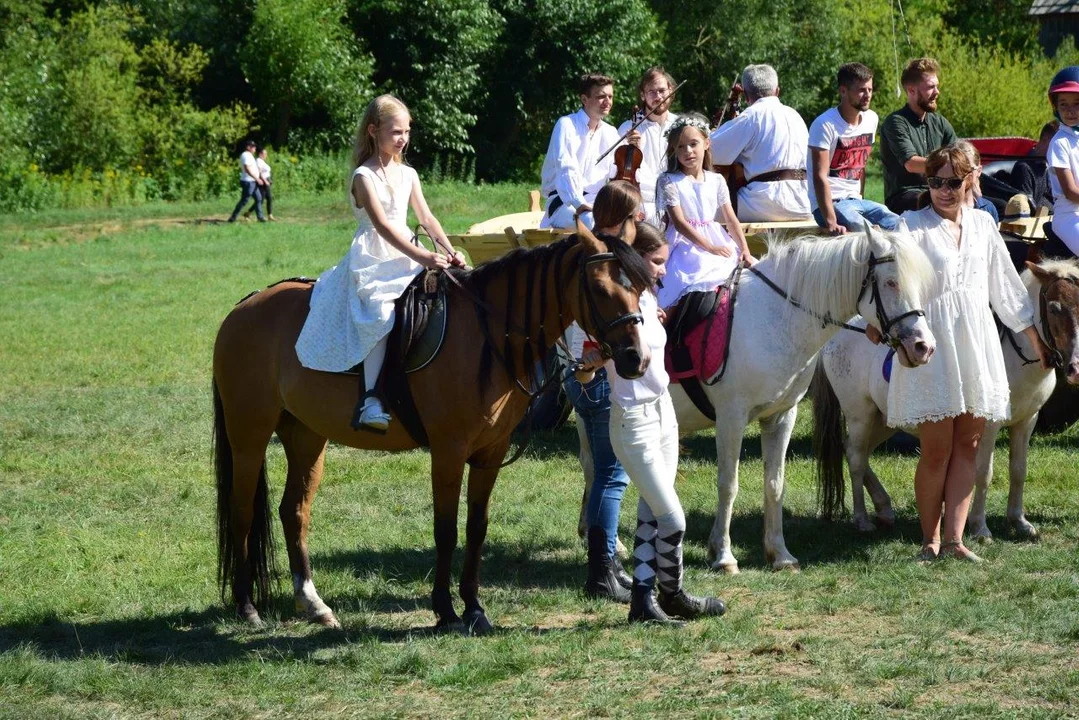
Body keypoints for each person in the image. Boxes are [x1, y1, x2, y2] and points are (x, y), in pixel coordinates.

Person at [880, 145, 1050, 562]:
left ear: (972, 178)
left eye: (953, 181)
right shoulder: (911, 226)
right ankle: (929, 541)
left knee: (969, 446)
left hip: (976, 341)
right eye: (935, 181)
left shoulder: (983, 226)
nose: (943, 190)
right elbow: (894, 283)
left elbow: (1006, 291)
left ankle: (956, 541)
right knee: (937, 449)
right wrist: (883, 328)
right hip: (931, 344)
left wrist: (1035, 343)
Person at [575, 220, 726, 625]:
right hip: (633, 421)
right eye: (657, 262)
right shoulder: (615, 310)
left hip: (664, 412)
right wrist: (590, 367)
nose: (663, 269)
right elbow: (585, 368)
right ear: (637, 261)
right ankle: (673, 593)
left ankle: (642, 601)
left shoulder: (645, 301)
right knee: (673, 518)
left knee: (650, 512)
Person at [295, 95, 466, 432]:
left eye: (407, 132)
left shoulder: (409, 174)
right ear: (373, 131)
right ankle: (371, 398)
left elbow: (427, 218)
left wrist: (450, 250)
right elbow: (384, 226)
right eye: (395, 132)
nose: (403, 139)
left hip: (409, 247)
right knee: (381, 313)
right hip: (374, 254)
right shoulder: (363, 176)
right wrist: (423, 256)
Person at [563, 180, 644, 603]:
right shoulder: (606, 259)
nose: (642, 222)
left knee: (605, 475)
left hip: (582, 372)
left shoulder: (595, 252)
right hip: (594, 374)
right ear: (623, 219)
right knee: (610, 477)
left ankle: (606, 566)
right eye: (637, 216)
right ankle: (602, 570)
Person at [656, 113, 756, 309]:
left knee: (740, 274)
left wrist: (745, 249)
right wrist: (710, 248)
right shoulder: (669, 180)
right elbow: (680, 223)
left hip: (715, 236)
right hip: (685, 242)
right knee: (687, 281)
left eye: (693, 144)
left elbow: (731, 219)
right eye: (681, 146)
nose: (688, 151)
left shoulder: (716, 180)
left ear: (707, 143)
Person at [709, 64, 811, 222]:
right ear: (777, 91)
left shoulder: (751, 116)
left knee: (702, 211)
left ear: (746, 95)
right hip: (805, 202)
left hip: (767, 203)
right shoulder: (795, 115)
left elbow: (711, 152)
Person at [808, 63, 900, 234]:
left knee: (900, 224)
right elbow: (819, 176)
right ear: (843, 91)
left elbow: (861, 167)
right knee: (867, 231)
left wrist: (860, 198)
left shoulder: (871, 119)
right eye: (861, 90)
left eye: (870, 90)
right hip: (830, 204)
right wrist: (831, 222)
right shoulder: (824, 124)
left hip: (856, 201)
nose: (867, 95)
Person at [539, 73, 620, 229]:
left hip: (597, 204)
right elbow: (566, 169)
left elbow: (615, 173)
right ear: (584, 99)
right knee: (592, 222)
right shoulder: (566, 125)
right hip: (564, 204)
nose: (607, 101)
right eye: (601, 97)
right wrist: (579, 204)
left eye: (610, 96)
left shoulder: (611, 132)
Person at [879, 58, 959, 214]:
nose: (937, 92)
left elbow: (959, 154)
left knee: (993, 204)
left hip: (940, 189)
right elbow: (912, 164)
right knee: (935, 203)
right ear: (911, 90)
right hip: (904, 196)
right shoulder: (895, 122)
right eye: (930, 87)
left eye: (937, 86)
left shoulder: (939, 122)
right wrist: (949, 167)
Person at [618, 67, 679, 226]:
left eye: (661, 91)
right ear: (642, 95)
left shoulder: (681, 126)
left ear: (670, 90)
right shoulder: (628, 129)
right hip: (645, 205)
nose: (658, 97)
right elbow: (621, 176)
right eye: (652, 92)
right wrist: (633, 150)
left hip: (678, 201)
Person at [1047, 66, 1079, 256]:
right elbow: (1070, 191)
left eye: (1077, 103)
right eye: (1063, 104)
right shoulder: (1059, 143)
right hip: (1069, 216)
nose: (1070, 111)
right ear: (1056, 108)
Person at [954, 140, 999, 222]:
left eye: (968, 169)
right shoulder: (943, 207)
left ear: (979, 171)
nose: (962, 174)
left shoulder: (988, 208)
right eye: (957, 168)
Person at [227, 139, 266, 222]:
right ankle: (232, 218)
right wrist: (257, 178)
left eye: (255, 146)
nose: (255, 148)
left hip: (253, 181)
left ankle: (260, 217)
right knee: (244, 200)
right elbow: (247, 168)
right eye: (253, 146)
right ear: (248, 147)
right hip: (248, 181)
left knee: (259, 198)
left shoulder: (250, 155)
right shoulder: (245, 155)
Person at [244, 148, 276, 221]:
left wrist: (269, 180)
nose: (266, 155)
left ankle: (269, 215)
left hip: (266, 180)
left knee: (268, 198)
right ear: (261, 154)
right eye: (265, 154)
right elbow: (259, 172)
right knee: (261, 200)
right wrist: (265, 181)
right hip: (263, 182)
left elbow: (266, 172)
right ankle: (248, 213)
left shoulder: (262, 161)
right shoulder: (258, 161)